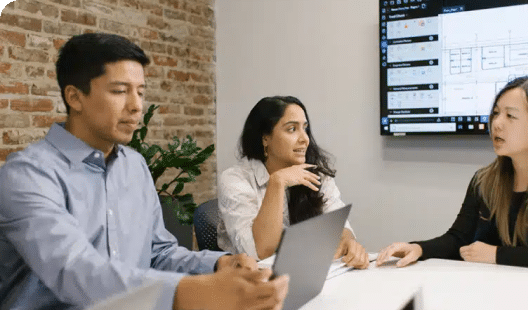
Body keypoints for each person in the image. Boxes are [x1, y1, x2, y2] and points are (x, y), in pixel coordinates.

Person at [0, 33, 288, 310]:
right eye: (120, 91)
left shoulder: (133, 165)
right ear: (75, 97)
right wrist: (192, 293)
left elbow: (158, 253)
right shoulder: (27, 174)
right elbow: (74, 270)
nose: (136, 106)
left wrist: (219, 264)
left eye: (140, 92)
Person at [376, 77, 528, 273]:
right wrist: (419, 248)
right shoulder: (484, 180)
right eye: (496, 113)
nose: (496, 124)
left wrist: (498, 255)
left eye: (510, 116)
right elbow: (459, 239)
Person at [217, 96, 370, 268]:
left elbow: (338, 222)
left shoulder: (315, 172)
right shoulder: (234, 179)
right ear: (265, 138)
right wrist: (277, 182)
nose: (305, 139)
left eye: (305, 128)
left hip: (305, 274)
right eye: (292, 129)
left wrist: (348, 240)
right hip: (252, 283)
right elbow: (259, 253)